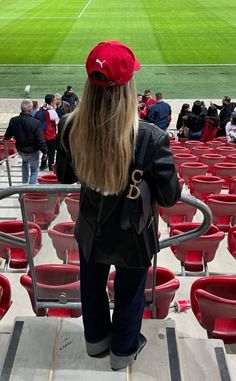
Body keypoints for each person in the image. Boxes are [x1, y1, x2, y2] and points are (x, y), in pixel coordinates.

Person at [56, 40, 180, 371]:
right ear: (128, 87)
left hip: (91, 226)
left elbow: (65, 175)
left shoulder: (69, 124)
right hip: (134, 234)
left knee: (92, 287)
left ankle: (96, 342)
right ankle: (122, 351)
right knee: (130, 292)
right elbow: (170, 197)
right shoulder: (151, 136)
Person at [4, 100, 47, 184]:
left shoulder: (13, 120)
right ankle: (29, 191)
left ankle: (24, 185)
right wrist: (45, 152)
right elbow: (40, 141)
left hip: (21, 150)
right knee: (34, 171)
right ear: (30, 110)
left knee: (25, 161)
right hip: (32, 151)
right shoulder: (36, 123)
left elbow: (7, 136)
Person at [35, 94, 59, 171]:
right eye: (55, 100)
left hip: (42, 134)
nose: (56, 101)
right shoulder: (51, 111)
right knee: (51, 153)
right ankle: (51, 168)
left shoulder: (42, 108)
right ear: (51, 102)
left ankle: (42, 165)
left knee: (45, 151)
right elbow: (57, 121)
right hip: (50, 135)